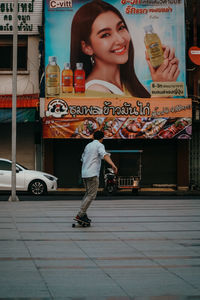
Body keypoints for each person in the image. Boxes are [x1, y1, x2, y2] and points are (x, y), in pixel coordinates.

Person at [70, 0, 180, 98]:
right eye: (105, 35)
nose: (121, 40)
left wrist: (164, 82)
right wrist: (162, 93)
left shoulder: (131, 86)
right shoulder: (95, 91)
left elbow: (165, 118)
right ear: (87, 47)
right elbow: (144, 121)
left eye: (121, 28)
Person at [75, 130, 117, 223]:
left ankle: (83, 214)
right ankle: (80, 214)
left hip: (84, 173)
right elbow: (105, 155)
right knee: (91, 195)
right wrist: (113, 165)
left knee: (87, 194)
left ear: (93, 137)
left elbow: (82, 158)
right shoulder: (99, 145)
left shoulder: (88, 145)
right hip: (92, 174)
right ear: (102, 138)